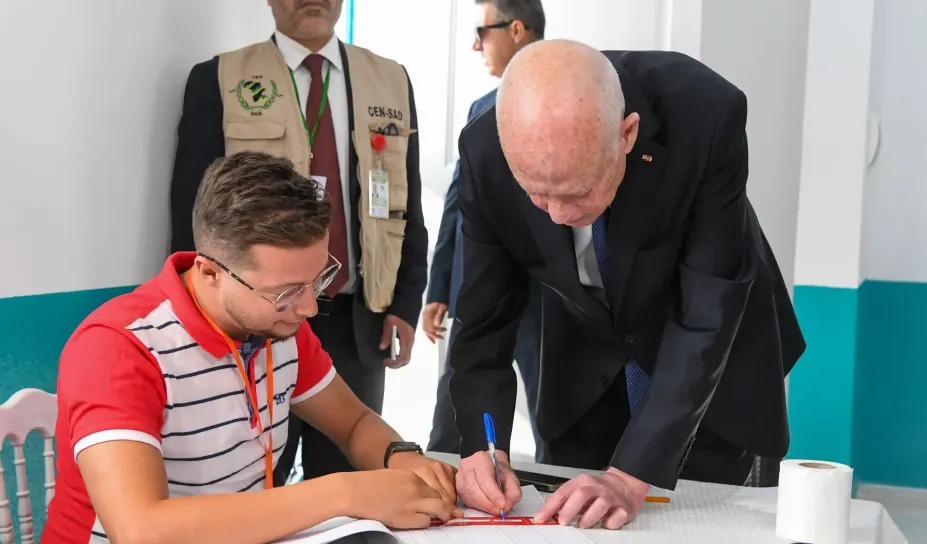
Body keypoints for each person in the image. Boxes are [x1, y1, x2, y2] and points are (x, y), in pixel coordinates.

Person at [449, 40, 806, 530]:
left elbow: (707, 310)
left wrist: (629, 475)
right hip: (587, 365)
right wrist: (481, 449)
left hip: (708, 367)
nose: (558, 216)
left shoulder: (704, 115)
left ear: (627, 134)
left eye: (578, 192)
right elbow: (484, 319)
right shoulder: (485, 151)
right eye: (536, 194)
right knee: (579, 519)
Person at [42, 152, 459, 543]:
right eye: (287, 292)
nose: (310, 308)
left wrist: (402, 458)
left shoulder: (278, 326)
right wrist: (343, 494)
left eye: (318, 279)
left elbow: (354, 424)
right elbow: (140, 530)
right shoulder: (119, 348)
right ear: (209, 273)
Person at [168, 0, 428, 486]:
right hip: (254, 325)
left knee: (350, 478)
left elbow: (405, 197)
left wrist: (406, 302)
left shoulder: (390, 79)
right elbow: (192, 213)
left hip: (358, 320)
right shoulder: (219, 79)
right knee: (258, 479)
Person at [423, 0, 547, 463]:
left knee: (555, 424)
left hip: (549, 298)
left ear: (516, 29)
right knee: (451, 425)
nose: (477, 46)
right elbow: (457, 204)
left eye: (482, 32)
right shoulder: (481, 110)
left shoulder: (572, 98)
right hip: (480, 289)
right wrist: (440, 286)